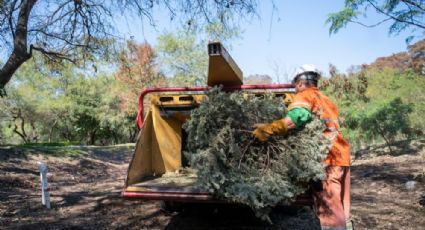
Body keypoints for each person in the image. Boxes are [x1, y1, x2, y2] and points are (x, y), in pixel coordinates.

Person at [252, 64, 352, 230]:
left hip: (326, 159)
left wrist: (269, 129)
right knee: (342, 207)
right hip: (341, 155)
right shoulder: (326, 99)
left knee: (330, 212)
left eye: (295, 86)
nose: (295, 89)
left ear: (299, 83)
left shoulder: (304, 95)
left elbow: (298, 117)